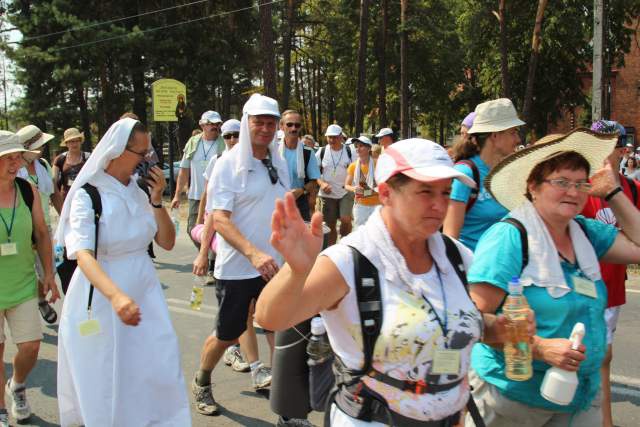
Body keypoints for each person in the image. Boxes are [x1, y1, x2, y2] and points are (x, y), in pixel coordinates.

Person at [256, 139, 534, 426]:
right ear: (386, 193)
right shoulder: (350, 260)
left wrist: (497, 329)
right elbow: (270, 317)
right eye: (425, 191)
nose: (440, 205)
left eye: (446, 192)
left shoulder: (456, 255)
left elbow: (454, 324)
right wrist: (296, 271)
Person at [465, 129, 640, 426]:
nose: (573, 192)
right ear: (533, 186)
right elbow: (471, 322)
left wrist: (612, 192)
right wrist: (540, 349)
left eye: (580, 183)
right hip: (514, 402)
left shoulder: (584, 231)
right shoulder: (509, 237)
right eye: (560, 182)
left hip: (580, 398)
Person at [54, 118, 190, 426]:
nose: (147, 160)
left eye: (148, 153)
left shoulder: (139, 192)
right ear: (117, 151)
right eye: (141, 153)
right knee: (105, 373)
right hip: (102, 295)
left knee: (155, 365)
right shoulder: (88, 195)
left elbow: (166, 242)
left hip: (145, 291)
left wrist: (157, 201)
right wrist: (116, 297)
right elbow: (83, 255)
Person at [191, 94, 290, 416]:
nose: (265, 128)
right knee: (227, 333)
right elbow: (218, 218)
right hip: (238, 269)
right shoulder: (228, 164)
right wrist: (253, 254)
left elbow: (281, 210)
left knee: (280, 328)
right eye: (258, 122)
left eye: (270, 122)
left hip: (275, 266)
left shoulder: (279, 162)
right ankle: (202, 381)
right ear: (247, 124)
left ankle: (288, 408)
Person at [582, 120, 640, 427]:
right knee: (593, 354)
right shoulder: (581, 186)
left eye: (609, 145)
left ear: (622, 150)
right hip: (585, 286)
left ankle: (604, 419)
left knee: (603, 355)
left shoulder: (631, 188)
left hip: (614, 284)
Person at [0, 131, 59, 426]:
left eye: (16, 158)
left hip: (23, 283)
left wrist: (48, 273)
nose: (15, 164)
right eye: (7, 159)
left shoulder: (26, 190)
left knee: (31, 346)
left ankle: (18, 384)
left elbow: (42, 233)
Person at [191, 119, 250, 373]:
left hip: (254, 254)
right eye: (228, 136)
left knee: (249, 313)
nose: (233, 140)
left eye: (237, 135)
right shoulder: (218, 162)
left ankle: (252, 361)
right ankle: (204, 377)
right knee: (230, 320)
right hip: (229, 252)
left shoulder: (257, 161)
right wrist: (203, 251)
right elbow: (210, 200)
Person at [443, 98, 523, 251]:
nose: (518, 139)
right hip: (473, 269)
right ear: (494, 136)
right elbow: (450, 237)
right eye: (513, 132)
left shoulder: (508, 172)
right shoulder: (465, 174)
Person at [16, 125, 63, 324]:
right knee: (24, 272)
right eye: (38, 145)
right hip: (21, 229)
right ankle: (34, 306)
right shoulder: (12, 167)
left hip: (44, 227)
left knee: (48, 271)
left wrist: (66, 218)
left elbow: (54, 194)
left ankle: (40, 299)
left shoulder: (43, 164)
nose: (42, 148)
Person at [172, 110, 225, 284]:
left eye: (217, 124)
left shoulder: (223, 143)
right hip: (196, 195)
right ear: (202, 125)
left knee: (214, 230)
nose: (215, 127)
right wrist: (177, 194)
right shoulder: (193, 142)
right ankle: (211, 254)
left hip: (217, 196)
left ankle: (211, 265)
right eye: (211, 124)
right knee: (193, 229)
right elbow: (184, 170)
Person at [53, 127, 91, 293]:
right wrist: (60, 206)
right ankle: (72, 264)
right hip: (67, 203)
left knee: (86, 233)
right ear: (66, 143)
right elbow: (54, 182)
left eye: (76, 140)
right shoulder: (60, 160)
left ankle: (87, 265)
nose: (74, 144)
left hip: (87, 201)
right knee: (68, 236)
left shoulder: (88, 157)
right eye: (70, 141)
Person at [278, 110, 320, 221]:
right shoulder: (273, 151)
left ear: (300, 127)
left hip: (300, 201)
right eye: (289, 124)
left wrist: (301, 190)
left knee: (300, 237)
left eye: (297, 125)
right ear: (281, 126)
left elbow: (314, 181)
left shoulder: (308, 152)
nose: (293, 128)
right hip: (276, 199)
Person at [316, 124, 354, 245]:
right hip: (327, 194)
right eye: (329, 137)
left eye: (335, 137)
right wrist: (321, 184)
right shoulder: (321, 151)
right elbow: (314, 172)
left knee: (346, 219)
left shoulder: (350, 151)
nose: (331, 140)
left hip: (345, 192)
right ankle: (332, 249)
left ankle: (345, 244)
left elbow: (355, 170)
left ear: (341, 137)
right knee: (330, 225)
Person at [344, 135, 380, 227]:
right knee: (360, 234)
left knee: (375, 234)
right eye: (356, 146)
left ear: (369, 148)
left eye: (361, 146)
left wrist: (369, 191)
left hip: (377, 205)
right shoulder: (353, 166)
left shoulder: (378, 164)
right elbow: (346, 185)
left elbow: (383, 185)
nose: (358, 149)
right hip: (360, 206)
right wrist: (354, 189)